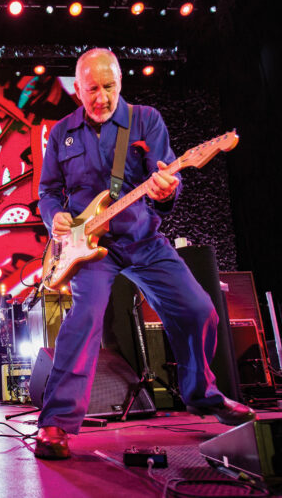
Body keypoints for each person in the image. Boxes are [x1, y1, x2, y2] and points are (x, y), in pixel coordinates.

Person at [34, 48, 255, 460]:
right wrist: (54, 217)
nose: (102, 97)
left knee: (198, 310)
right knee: (83, 319)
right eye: (92, 89)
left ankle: (202, 395)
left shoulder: (145, 120)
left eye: (109, 86)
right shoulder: (62, 132)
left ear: (120, 82)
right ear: (77, 89)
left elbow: (165, 178)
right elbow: (47, 192)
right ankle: (55, 423)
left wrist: (166, 191)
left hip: (142, 239)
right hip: (89, 247)